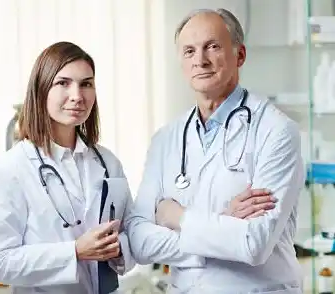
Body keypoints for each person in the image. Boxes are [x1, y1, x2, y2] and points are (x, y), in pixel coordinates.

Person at [127, 8, 304, 294]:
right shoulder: (166, 139)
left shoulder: (276, 131)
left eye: (212, 46)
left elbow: (254, 244)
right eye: (189, 51)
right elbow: (139, 240)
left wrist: (178, 218)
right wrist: (223, 224)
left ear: (240, 55)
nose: (200, 60)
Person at [0, 41, 135, 294]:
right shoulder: (10, 168)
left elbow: (130, 233)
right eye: (63, 83)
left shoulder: (108, 162)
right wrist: (74, 251)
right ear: (41, 90)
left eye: (86, 84)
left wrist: (120, 250)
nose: (77, 95)